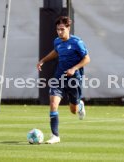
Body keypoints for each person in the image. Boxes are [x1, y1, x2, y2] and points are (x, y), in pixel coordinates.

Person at [36, 16, 90, 144]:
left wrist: (74, 68)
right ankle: (55, 136)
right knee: (53, 104)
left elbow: (87, 59)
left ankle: (79, 104)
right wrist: (43, 60)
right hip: (59, 78)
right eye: (57, 30)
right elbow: (56, 52)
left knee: (73, 110)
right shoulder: (57, 41)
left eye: (62, 29)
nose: (59, 32)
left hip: (73, 79)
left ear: (68, 28)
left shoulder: (77, 42)